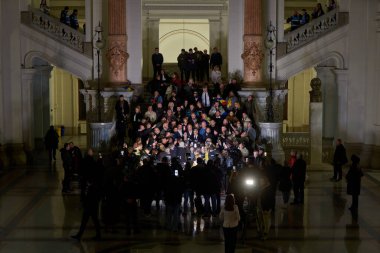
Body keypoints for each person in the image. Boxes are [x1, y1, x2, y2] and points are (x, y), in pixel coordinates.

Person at [71, 149, 102, 241]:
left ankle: (80, 235)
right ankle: (82, 235)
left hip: (90, 199)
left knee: (88, 217)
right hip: (93, 198)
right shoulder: (94, 165)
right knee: (91, 218)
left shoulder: (88, 166)